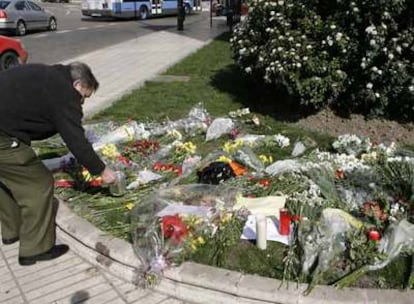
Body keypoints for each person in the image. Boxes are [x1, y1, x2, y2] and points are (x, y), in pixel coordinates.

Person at [0, 62, 117, 266]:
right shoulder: (64, 94)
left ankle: (12, 231)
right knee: (39, 184)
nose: (81, 103)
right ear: (78, 84)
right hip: (3, 137)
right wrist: (102, 171)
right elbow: (76, 142)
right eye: (83, 97)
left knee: (6, 179)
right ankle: (35, 249)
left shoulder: (53, 74)